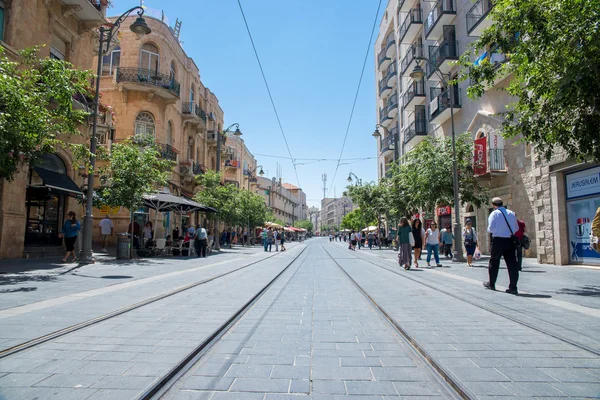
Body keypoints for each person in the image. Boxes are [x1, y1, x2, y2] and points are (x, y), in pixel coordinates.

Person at [484, 197, 520, 294]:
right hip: (509, 241)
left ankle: (492, 283)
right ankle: (513, 287)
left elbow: (490, 229)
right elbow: (516, 228)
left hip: (498, 241)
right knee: (512, 264)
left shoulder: (494, 214)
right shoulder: (511, 213)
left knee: (494, 262)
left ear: (493, 205)